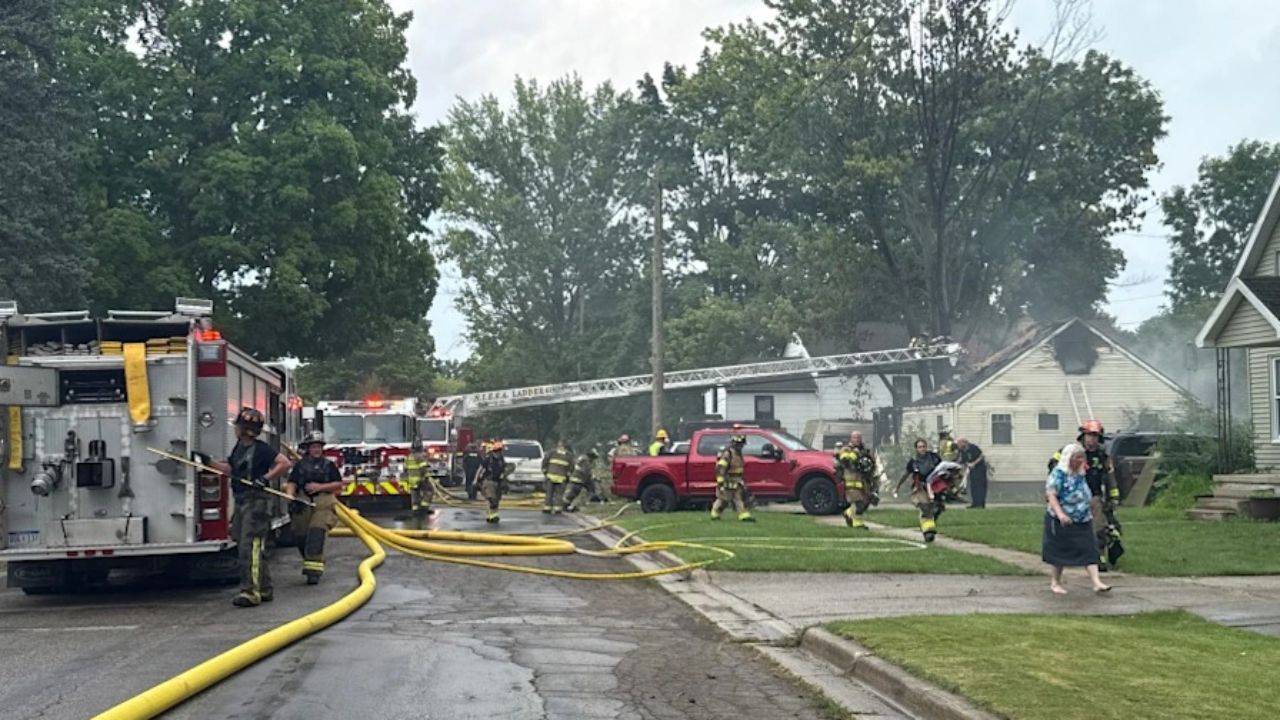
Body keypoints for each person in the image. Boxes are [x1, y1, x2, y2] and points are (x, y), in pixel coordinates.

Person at [198, 407, 292, 607]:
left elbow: (284, 463)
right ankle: (264, 588)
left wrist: (264, 479)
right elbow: (230, 470)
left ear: (243, 429)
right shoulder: (239, 447)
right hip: (242, 501)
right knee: (244, 544)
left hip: (256, 503)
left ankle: (251, 591)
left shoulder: (261, 448)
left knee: (250, 547)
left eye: (238, 426)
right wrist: (207, 461)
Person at [1042, 442, 1112, 594]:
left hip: (1082, 519)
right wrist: (1060, 514)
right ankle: (1056, 582)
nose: (1081, 460)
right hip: (1061, 519)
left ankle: (1097, 582)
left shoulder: (1081, 473)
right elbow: (1051, 495)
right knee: (1059, 552)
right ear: (1069, 458)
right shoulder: (1058, 474)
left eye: (1082, 457)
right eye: (1078, 457)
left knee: (1090, 549)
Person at [284, 431, 343, 585]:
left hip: (324, 501)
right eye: (314, 447)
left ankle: (313, 572)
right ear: (308, 448)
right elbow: (292, 482)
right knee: (301, 536)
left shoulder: (329, 465)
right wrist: (290, 496)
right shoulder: (300, 465)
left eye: (319, 446)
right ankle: (312, 562)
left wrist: (320, 486)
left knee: (316, 533)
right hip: (303, 501)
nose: (317, 450)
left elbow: (338, 484)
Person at [893, 438, 943, 542]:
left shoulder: (934, 458)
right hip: (920, 487)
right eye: (920, 447)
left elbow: (943, 469)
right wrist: (897, 486)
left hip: (935, 486)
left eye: (924, 446)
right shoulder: (913, 462)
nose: (922, 449)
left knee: (936, 509)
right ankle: (928, 532)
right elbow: (905, 474)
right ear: (916, 449)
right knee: (925, 507)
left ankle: (930, 523)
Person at [837, 431, 880, 529]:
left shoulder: (864, 450)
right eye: (855, 438)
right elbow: (844, 460)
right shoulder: (846, 449)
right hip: (852, 480)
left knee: (865, 502)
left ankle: (848, 513)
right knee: (859, 503)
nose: (857, 440)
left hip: (863, 481)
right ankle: (858, 523)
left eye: (859, 438)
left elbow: (870, 463)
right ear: (851, 439)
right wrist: (855, 453)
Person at [711, 434, 754, 521]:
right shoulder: (728, 454)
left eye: (742, 444)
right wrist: (721, 482)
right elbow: (721, 468)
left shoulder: (738, 454)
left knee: (738, 497)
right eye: (740, 444)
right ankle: (715, 513)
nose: (741, 446)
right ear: (735, 443)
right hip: (727, 480)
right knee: (723, 499)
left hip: (736, 481)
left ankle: (744, 516)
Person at [402, 438, 434, 526]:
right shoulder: (420, 456)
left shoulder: (409, 457)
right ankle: (424, 508)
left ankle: (415, 511)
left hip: (411, 480)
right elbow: (423, 468)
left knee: (415, 495)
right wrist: (427, 477)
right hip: (420, 479)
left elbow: (405, 469)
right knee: (429, 491)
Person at [540, 439, 573, 514]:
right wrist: (568, 476)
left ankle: (547, 508)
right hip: (561, 478)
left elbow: (545, 462)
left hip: (550, 477)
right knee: (559, 494)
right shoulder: (569, 455)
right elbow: (571, 467)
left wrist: (545, 471)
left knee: (549, 493)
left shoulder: (552, 452)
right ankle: (557, 509)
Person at [480, 440, 508, 523]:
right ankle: (490, 515)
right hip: (489, 481)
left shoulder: (501, 459)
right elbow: (481, 469)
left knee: (496, 499)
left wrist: (504, 481)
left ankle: (494, 515)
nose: (500, 453)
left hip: (498, 482)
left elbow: (504, 470)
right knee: (490, 499)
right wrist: (476, 480)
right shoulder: (488, 459)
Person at [956, 437, 989, 509]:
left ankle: (980, 503)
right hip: (971, 470)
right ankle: (975, 503)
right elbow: (963, 461)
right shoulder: (962, 451)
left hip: (979, 469)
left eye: (959, 443)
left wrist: (974, 463)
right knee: (973, 486)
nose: (958, 445)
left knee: (980, 486)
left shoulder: (973, 448)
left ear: (964, 443)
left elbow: (981, 456)